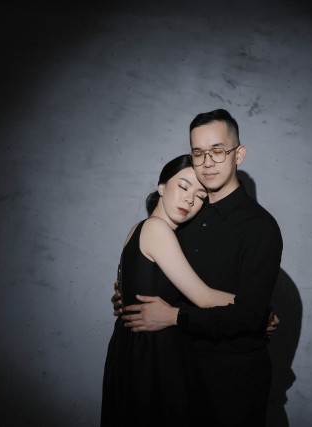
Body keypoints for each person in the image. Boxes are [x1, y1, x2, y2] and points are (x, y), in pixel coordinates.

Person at [119, 109, 283, 427]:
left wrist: (175, 316)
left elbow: (248, 314)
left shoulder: (260, 227)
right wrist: (130, 295)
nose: (207, 162)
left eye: (218, 151)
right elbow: (156, 275)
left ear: (239, 155)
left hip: (230, 381)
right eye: (198, 153)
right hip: (174, 372)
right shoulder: (183, 215)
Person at [101, 154, 236, 427]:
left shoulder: (139, 228)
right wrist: (256, 307)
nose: (189, 200)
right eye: (183, 186)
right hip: (154, 352)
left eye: (200, 196)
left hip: (133, 348)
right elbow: (204, 297)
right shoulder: (157, 228)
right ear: (161, 187)